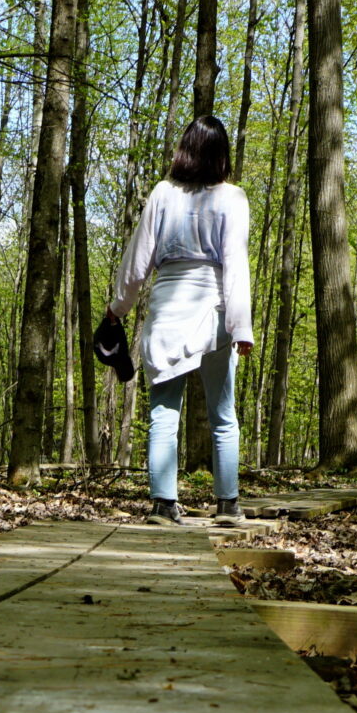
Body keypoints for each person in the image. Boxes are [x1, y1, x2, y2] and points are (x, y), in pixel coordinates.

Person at [107, 115, 253, 526]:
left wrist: (118, 308)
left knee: (163, 413)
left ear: (185, 149)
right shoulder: (232, 197)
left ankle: (163, 504)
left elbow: (138, 262)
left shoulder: (163, 193)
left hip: (167, 311)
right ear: (222, 154)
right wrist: (241, 326)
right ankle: (227, 505)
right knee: (223, 414)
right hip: (213, 313)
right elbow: (235, 265)